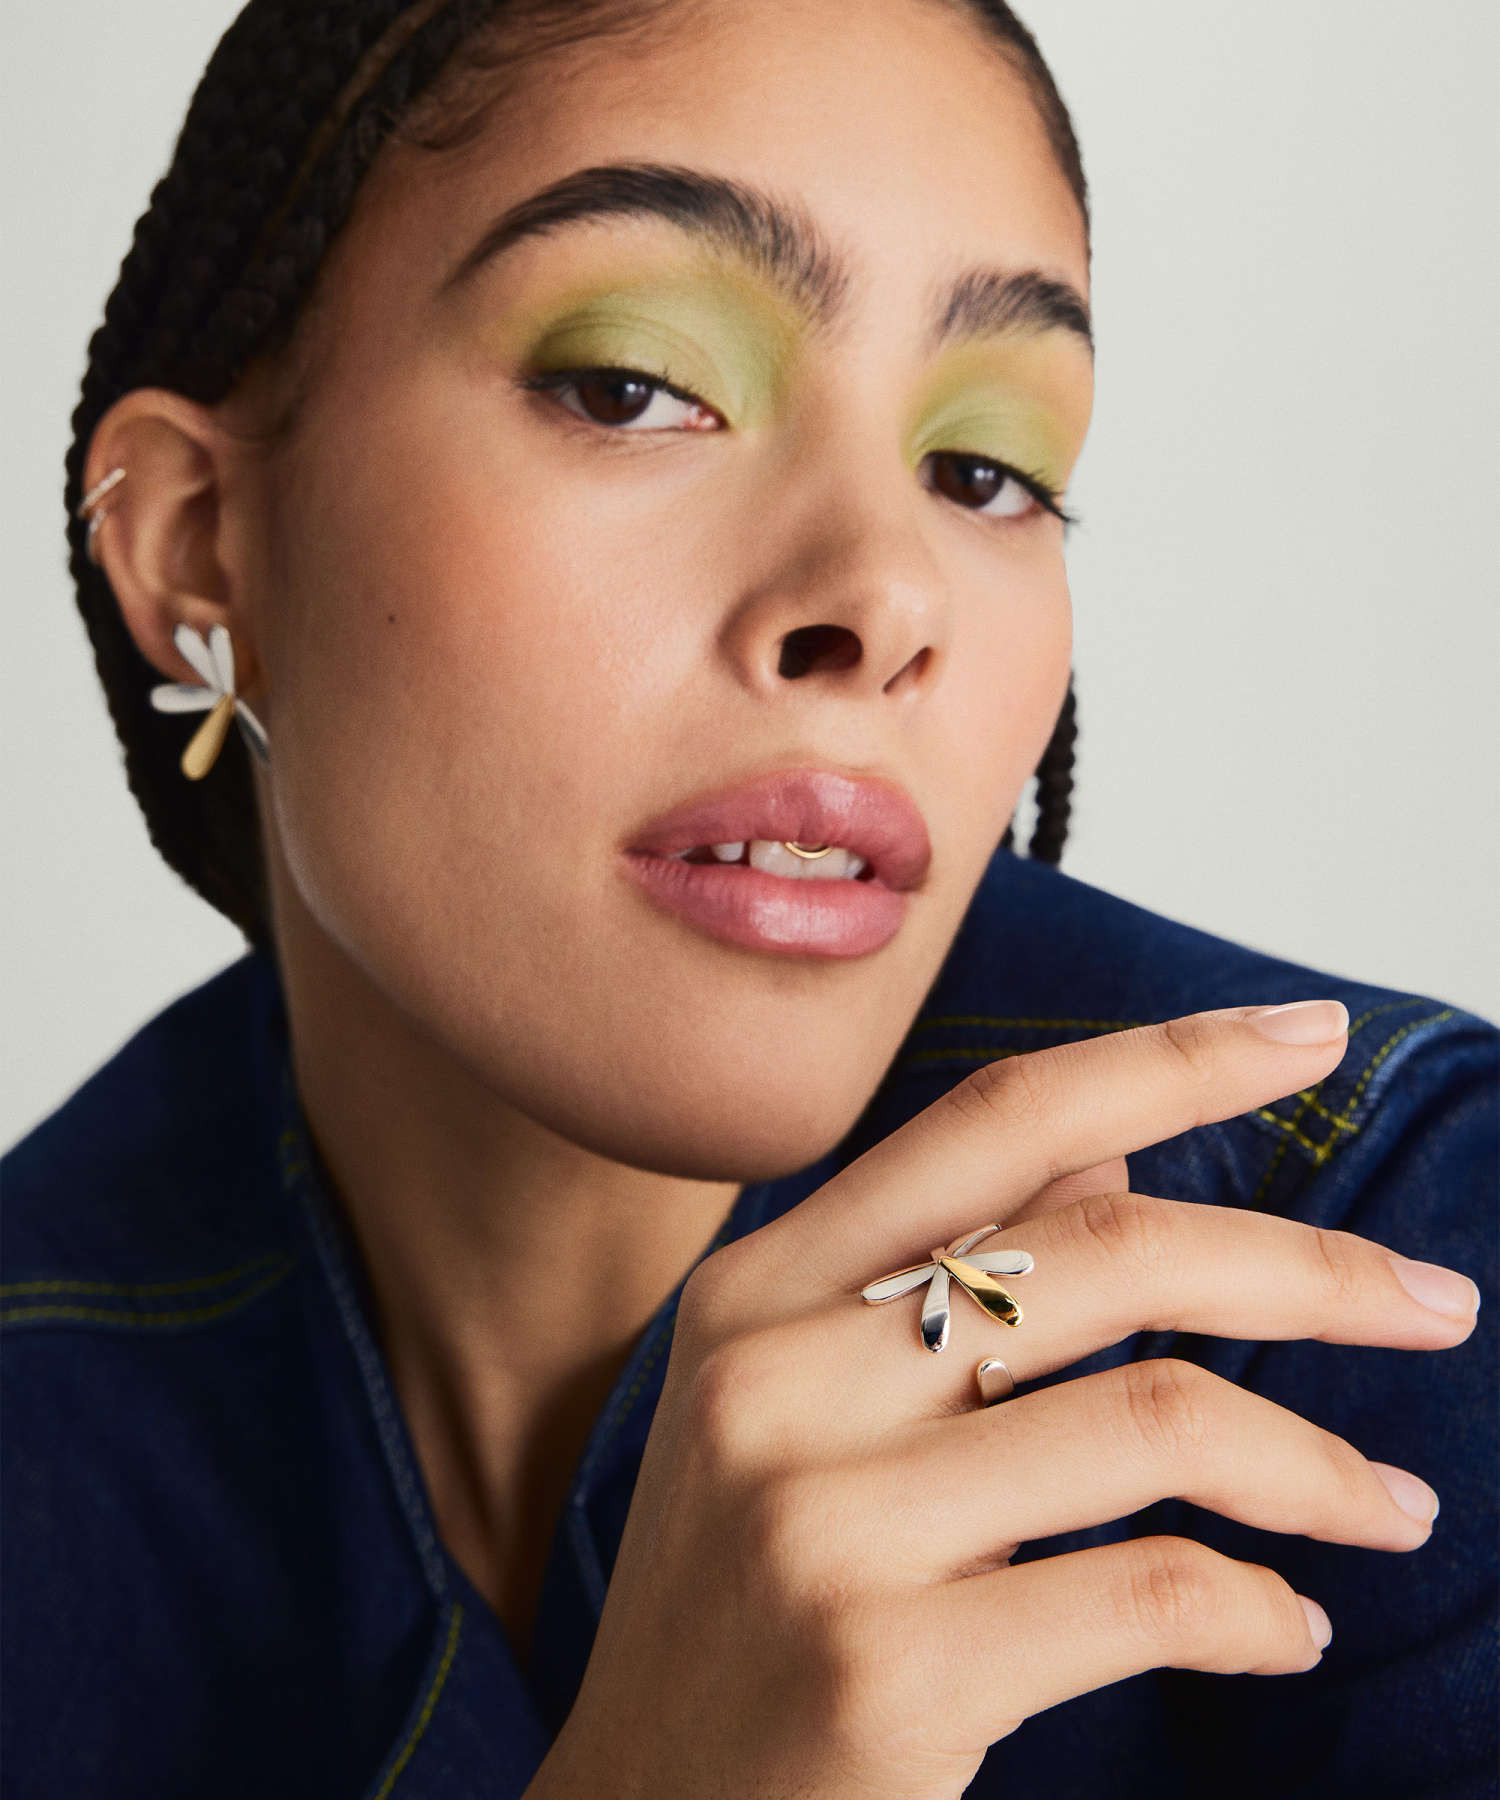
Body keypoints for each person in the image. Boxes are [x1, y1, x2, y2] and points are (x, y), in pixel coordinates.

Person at [2, 1, 1494, 1795]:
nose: (885, 591)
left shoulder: (1397, 1261)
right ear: (197, 545)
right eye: (633, 385)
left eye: (985, 469)